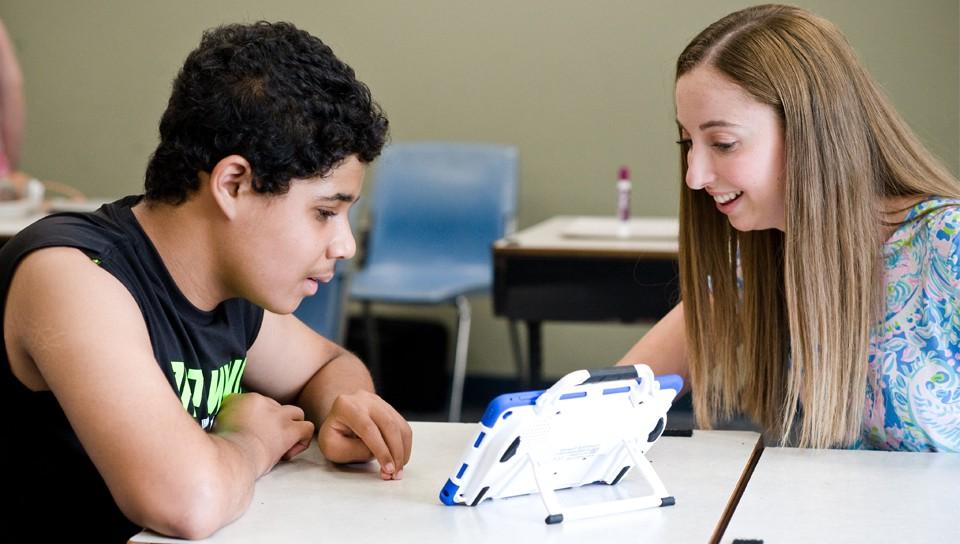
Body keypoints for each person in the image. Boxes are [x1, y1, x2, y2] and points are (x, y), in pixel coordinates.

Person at [0, 21, 411, 540]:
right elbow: (185, 503)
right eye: (325, 212)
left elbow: (330, 363)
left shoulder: (227, 286)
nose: (344, 245)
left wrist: (341, 407)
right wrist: (252, 442)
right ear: (233, 184)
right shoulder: (73, 274)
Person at [617, 4, 960, 452]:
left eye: (722, 143)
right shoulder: (764, 257)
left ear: (810, 132)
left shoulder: (946, 247)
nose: (694, 176)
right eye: (688, 141)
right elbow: (621, 396)